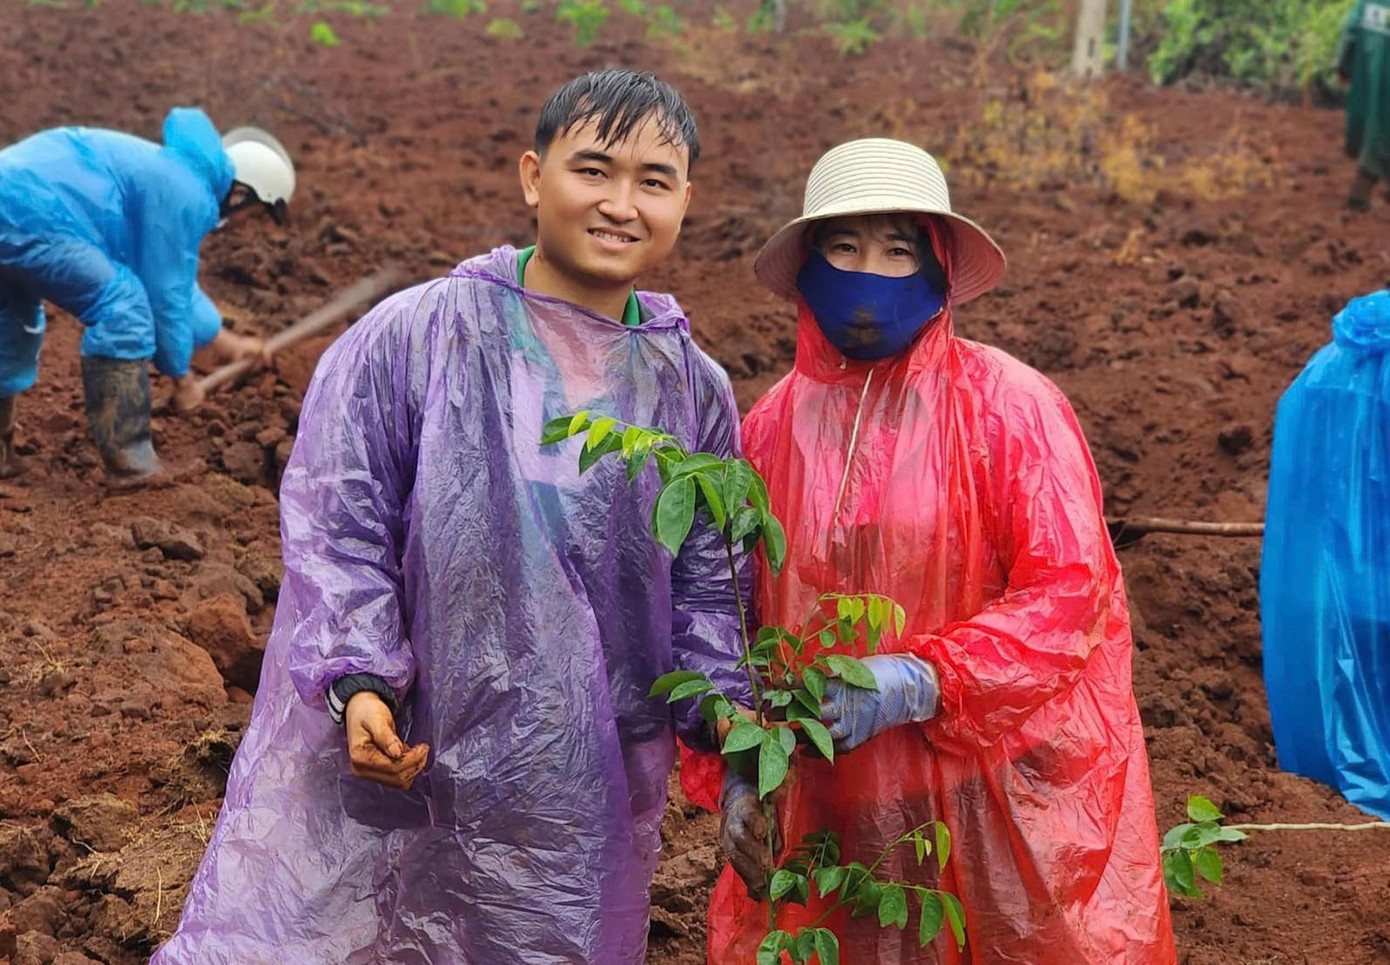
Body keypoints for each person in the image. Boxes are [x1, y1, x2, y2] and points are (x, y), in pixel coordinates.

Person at [152, 69, 748, 964]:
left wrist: (731, 720)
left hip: (582, 776)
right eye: (594, 169)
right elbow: (340, 522)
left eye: (653, 182)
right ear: (532, 176)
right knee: (369, 924)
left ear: (686, 201)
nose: (622, 203)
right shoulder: (417, 335)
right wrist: (358, 681)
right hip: (408, 737)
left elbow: (709, 582)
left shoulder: (692, 388)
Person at [690, 138, 1177, 963]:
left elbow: (1069, 595)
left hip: (993, 782)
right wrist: (743, 760)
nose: (868, 272)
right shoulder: (773, 424)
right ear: (808, 265)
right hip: (831, 793)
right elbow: (736, 613)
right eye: (843, 247)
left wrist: (924, 678)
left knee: (1005, 931)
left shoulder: (1009, 409)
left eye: (897, 248)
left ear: (938, 265)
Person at [0, 108, 292, 479]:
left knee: (11, 319)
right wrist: (181, 379)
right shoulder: (188, 194)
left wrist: (225, 341)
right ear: (241, 194)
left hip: (15, 199)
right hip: (35, 212)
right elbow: (165, 295)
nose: (246, 225)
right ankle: (131, 465)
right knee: (124, 307)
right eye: (255, 213)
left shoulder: (173, 174)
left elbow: (172, 281)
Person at [1261, 290, 1390, 820]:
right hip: (1375, 580)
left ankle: (1332, 779)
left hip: (1319, 580)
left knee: (1336, 682)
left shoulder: (1319, 371)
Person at [1336, 1, 1390, 210]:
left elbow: (1351, 31)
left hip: (1368, 80)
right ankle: (1358, 197)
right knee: (1380, 136)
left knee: (1375, 132)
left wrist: (1343, 66)